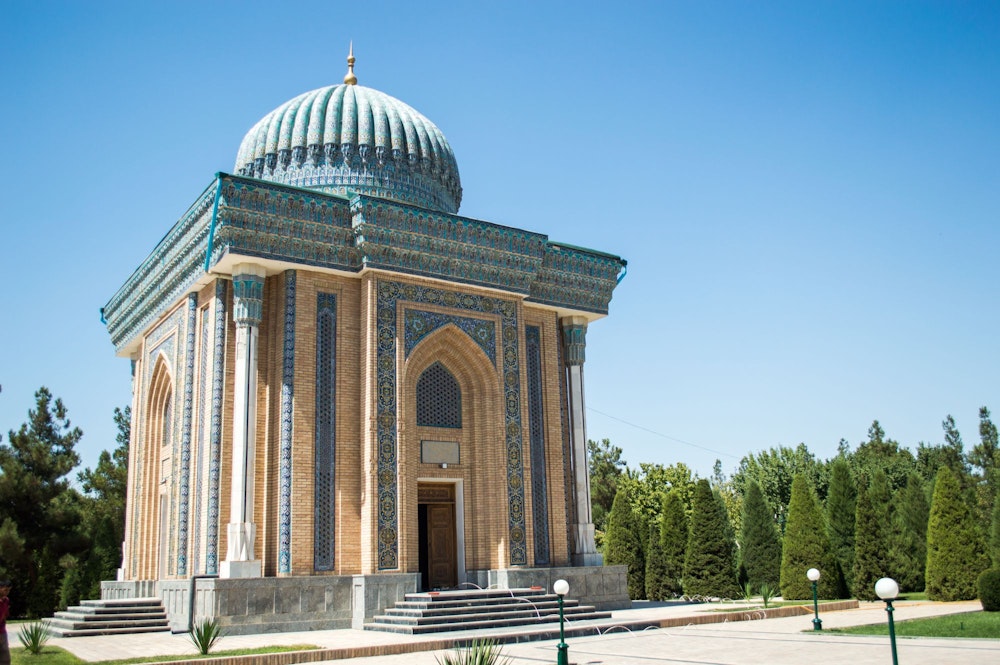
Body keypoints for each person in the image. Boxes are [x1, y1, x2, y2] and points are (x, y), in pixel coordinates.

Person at [0, 579, 10, 665]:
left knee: (5, 659)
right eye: (5, 590)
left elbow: (5, 615)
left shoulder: (6, 600)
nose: (7, 592)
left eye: (8, 590)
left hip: (2, 632)